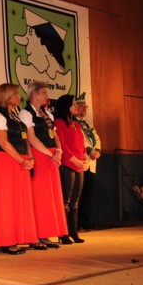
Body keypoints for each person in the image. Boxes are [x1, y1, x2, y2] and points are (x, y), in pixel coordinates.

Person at [0, 83, 37, 254]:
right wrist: (21, 160)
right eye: (16, 94)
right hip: (5, 160)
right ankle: (6, 240)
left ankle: (16, 237)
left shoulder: (15, 116)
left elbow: (25, 140)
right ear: (7, 97)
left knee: (19, 201)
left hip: (19, 161)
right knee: (6, 202)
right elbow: (3, 142)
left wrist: (30, 159)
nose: (19, 97)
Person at [19, 80, 66, 249]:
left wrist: (59, 151)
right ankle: (35, 236)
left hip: (52, 157)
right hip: (39, 155)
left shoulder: (47, 113)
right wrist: (50, 153)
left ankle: (45, 234)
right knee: (39, 197)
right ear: (34, 94)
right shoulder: (25, 113)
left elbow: (55, 135)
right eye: (44, 92)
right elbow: (31, 139)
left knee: (50, 197)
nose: (47, 95)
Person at [54, 94, 88, 244]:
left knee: (75, 200)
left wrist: (85, 158)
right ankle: (63, 233)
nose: (76, 107)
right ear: (66, 106)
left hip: (79, 165)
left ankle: (74, 232)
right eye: (73, 104)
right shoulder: (59, 122)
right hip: (68, 164)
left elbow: (81, 144)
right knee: (66, 200)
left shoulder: (76, 124)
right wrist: (74, 160)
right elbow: (61, 144)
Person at [75, 96, 102, 229]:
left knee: (87, 194)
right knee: (78, 194)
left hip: (91, 163)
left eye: (85, 107)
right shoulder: (73, 123)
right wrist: (90, 151)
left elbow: (97, 139)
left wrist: (97, 150)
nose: (85, 109)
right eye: (82, 107)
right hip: (81, 161)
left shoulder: (88, 125)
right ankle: (75, 222)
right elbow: (79, 141)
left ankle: (84, 220)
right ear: (76, 108)